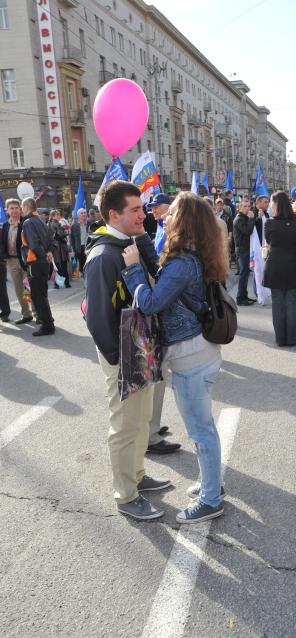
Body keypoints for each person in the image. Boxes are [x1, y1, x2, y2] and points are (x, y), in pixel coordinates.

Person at [122, 192, 229, 524]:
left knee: (201, 430)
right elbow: (164, 274)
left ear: (184, 222)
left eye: (172, 215)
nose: (163, 217)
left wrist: (132, 271)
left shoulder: (184, 262)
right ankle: (213, 485)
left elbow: (151, 302)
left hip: (191, 357)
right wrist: (141, 240)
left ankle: (212, 498)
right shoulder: (189, 256)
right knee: (202, 427)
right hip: (199, 352)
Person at [84, 180, 169, 521]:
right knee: (124, 423)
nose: (143, 214)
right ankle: (125, 494)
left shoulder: (128, 243)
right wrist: (119, 362)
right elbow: (98, 317)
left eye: (142, 207)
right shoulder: (104, 256)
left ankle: (136, 475)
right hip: (121, 351)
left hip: (138, 343)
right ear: (113, 214)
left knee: (141, 418)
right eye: (134, 209)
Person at [146, 192, 181, 455]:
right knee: (155, 377)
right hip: (151, 317)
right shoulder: (154, 232)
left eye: (162, 210)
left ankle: (152, 428)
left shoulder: (176, 239)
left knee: (159, 377)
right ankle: (150, 433)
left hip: (162, 312)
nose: (154, 213)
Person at [263, 191, 296, 346]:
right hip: (292, 265)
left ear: (277, 204)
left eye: (272, 203)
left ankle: (280, 339)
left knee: (278, 303)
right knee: (291, 303)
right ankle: (292, 338)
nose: (270, 206)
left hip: (275, 266)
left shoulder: (270, 223)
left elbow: (268, 241)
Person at [20, 197, 55, 336]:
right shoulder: (40, 220)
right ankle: (47, 319)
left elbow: (33, 244)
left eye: (22, 207)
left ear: (27, 207)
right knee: (42, 293)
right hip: (43, 262)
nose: (22, 210)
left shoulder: (28, 222)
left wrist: (42, 255)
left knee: (37, 295)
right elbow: (51, 240)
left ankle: (47, 325)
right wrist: (48, 252)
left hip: (35, 262)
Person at [1, 198, 33, 323]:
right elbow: (3, 243)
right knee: (19, 289)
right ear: (7, 210)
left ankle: (37, 313)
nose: (14, 211)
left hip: (26, 260)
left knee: (29, 288)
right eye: (11, 208)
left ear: (20, 209)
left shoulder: (26, 222)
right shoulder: (5, 225)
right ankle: (26, 314)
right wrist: (3, 256)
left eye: (16, 208)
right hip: (11, 261)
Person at [233, 199, 256, 306]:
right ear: (240, 207)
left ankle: (244, 296)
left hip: (246, 249)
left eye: (249, 206)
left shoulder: (244, 218)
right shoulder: (239, 219)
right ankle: (240, 298)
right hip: (242, 250)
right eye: (245, 206)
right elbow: (248, 231)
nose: (247, 208)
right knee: (243, 274)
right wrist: (252, 219)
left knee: (246, 274)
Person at [48, 210, 71, 288]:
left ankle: (58, 284)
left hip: (55, 247)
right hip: (59, 247)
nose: (58, 216)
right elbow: (60, 235)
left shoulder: (49, 224)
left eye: (58, 215)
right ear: (52, 216)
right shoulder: (56, 224)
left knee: (57, 266)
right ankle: (64, 283)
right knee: (61, 265)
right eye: (56, 215)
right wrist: (67, 232)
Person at [70, 208, 89, 276]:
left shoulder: (90, 224)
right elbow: (71, 238)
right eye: (82, 213)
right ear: (78, 215)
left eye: (84, 212)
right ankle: (84, 279)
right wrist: (72, 250)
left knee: (89, 264)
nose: (84, 214)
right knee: (82, 265)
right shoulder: (74, 225)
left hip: (89, 247)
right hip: (79, 248)